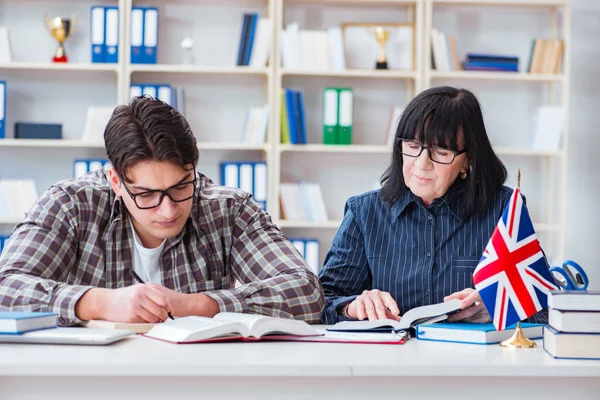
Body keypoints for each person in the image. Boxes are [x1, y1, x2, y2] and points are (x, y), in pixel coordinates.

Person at [0, 96, 324, 326]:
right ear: (115, 181)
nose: (168, 209)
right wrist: (99, 302)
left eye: (182, 186)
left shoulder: (229, 209)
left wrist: (201, 305)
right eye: (146, 194)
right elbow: (5, 287)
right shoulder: (70, 205)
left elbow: (306, 292)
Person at [319, 86, 548, 324]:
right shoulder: (364, 213)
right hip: (388, 358)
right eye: (412, 146)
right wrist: (353, 306)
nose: (421, 164)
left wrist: (498, 308)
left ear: (468, 159)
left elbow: (545, 307)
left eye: (440, 151)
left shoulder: (504, 209)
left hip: (473, 359)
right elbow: (323, 302)